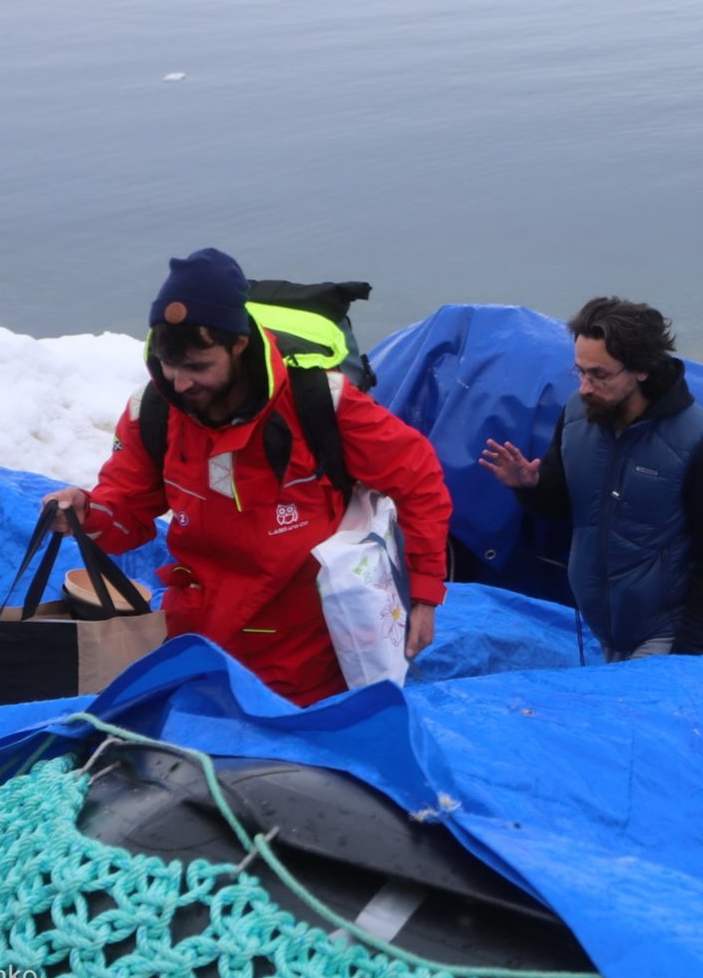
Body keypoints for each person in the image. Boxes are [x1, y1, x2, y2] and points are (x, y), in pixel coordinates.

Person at [43, 248, 453, 705]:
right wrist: (89, 511)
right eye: (167, 365)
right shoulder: (153, 411)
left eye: (198, 366)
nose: (179, 383)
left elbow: (419, 482)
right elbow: (127, 509)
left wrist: (423, 596)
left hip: (310, 653)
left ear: (239, 345)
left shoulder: (321, 403)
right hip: (196, 642)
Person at [479, 297, 703, 661]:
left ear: (642, 369)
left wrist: (685, 652)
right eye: (580, 372)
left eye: (599, 375)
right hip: (599, 629)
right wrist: (529, 487)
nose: (585, 387)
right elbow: (565, 507)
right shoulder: (575, 415)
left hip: (663, 636)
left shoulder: (698, 440)